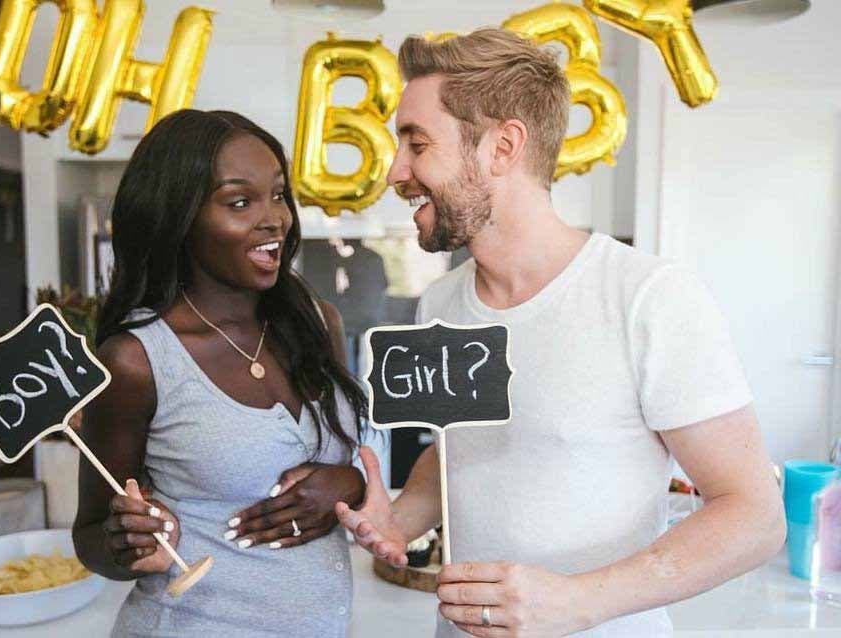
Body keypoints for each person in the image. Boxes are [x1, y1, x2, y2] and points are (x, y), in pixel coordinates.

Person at [336, 29, 786, 637]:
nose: (395, 171)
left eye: (417, 143)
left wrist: (577, 601)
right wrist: (404, 516)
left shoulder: (648, 297)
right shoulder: (442, 301)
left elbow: (754, 517)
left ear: (502, 146)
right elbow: (459, 447)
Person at [73, 109, 369, 637]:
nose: (274, 218)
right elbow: (92, 537)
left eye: (278, 194)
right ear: (179, 218)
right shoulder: (135, 360)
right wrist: (128, 542)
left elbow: (351, 462)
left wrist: (351, 484)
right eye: (239, 201)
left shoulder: (316, 322)